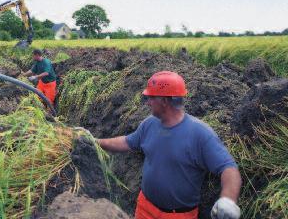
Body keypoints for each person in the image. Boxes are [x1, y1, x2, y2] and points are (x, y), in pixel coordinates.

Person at [78, 71, 242, 219]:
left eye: (151, 97)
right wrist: (95, 141)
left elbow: (229, 169)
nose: (147, 102)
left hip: (178, 216)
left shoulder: (200, 134)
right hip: (145, 208)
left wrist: (228, 200)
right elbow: (127, 142)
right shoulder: (150, 124)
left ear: (164, 101)